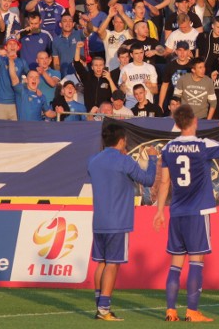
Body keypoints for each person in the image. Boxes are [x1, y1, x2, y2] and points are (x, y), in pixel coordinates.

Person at [153, 108, 219, 322]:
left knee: (176, 263)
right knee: (196, 261)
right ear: (194, 121)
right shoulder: (204, 145)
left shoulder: (168, 148)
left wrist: (159, 211)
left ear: (176, 123)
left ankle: (171, 310)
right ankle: (192, 311)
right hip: (198, 211)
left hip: (177, 212)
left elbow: (165, 182)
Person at [87, 124, 158, 321]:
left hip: (99, 219)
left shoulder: (93, 160)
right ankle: (104, 309)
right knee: (112, 264)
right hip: (118, 220)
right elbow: (148, 180)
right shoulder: (124, 161)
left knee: (101, 263)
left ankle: (99, 305)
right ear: (121, 140)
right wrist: (152, 158)